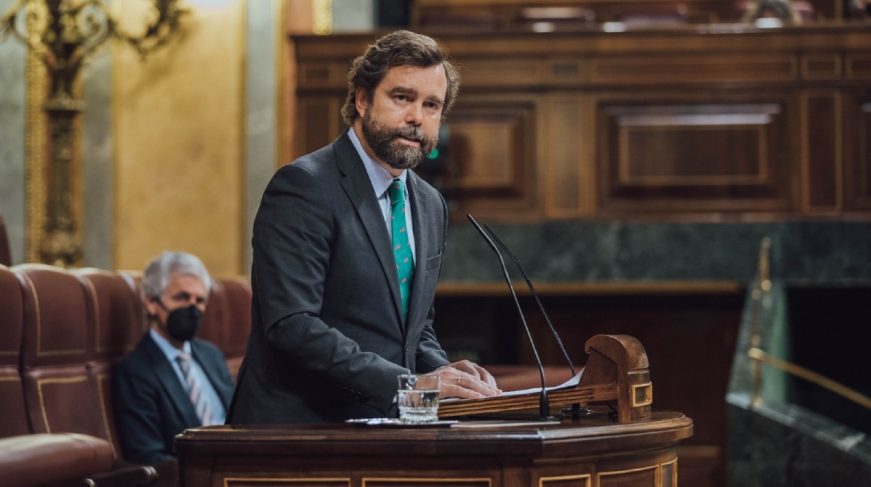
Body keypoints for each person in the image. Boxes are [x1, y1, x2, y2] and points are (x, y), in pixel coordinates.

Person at [228, 30, 500, 425]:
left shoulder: (428, 203)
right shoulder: (304, 186)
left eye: (431, 105)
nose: (416, 118)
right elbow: (292, 325)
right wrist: (410, 385)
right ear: (361, 98)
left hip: (386, 430)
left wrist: (449, 379)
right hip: (297, 433)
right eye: (402, 97)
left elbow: (414, 328)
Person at [113, 251, 234, 464]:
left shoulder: (211, 354)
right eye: (182, 297)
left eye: (199, 300)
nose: (192, 307)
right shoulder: (135, 371)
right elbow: (147, 456)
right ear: (151, 302)